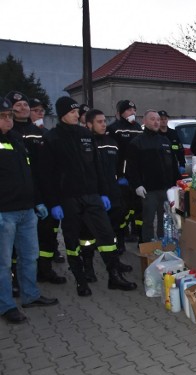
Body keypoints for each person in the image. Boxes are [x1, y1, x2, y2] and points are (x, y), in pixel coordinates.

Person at [40, 96, 136, 296]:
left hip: (92, 196)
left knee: (106, 236)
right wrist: (53, 203)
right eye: (73, 112)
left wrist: (103, 193)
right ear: (62, 114)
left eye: (77, 112)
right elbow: (46, 175)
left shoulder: (85, 134)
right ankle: (81, 280)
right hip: (68, 199)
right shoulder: (52, 138)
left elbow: (97, 167)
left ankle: (114, 276)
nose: (77, 115)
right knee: (73, 241)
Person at [1, 96, 59, 324]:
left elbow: (29, 174)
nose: (8, 120)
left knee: (29, 257)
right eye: (3, 117)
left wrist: (38, 201)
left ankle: (30, 295)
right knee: (4, 263)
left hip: (27, 210)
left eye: (8, 116)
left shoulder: (17, 140)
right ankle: (6, 306)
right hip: (4, 212)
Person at [7, 91, 66, 285]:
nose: (22, 108)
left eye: (25, 104)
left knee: (47, 235)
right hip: (19, 195)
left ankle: (45, 270)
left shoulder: (42, 132)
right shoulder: (9, 133)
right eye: (18, 105)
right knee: (16, 243)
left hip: (45, 193)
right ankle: (15, 277)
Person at [84, 109, 132, 266]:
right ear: (89, 124)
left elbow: (118, 166)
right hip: (93, 194)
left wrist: (121, 180)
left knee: (115, 228)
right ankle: (88, 266)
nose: (104, 124)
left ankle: (115, 262)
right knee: (89, 233)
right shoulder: (86, 142)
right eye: (99, 122)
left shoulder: (112, 142)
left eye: (104, 121)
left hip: (113, 192)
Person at [126, 110, 180, 243]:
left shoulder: (165, 140)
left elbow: (173, 164)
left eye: (158, 119)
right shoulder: (137, 142)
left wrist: (177, 183)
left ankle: (165, 242)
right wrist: (137, 185)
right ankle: (147, 245)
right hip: (148, 190)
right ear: (144, 121)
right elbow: (131, 168)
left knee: (166, 219)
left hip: (166, 188)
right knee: (148, 220)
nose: (156, 122)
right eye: (152, 119)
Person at [106, 100, 143, 240]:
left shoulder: (139, 128)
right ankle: (121, 235)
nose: (132, 112)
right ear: (121, 113)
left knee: (137, 207)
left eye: (134, 109)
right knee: (122, 208)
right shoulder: (114, 129)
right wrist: (118, 174)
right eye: (128, 110)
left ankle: (136, 231)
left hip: (136, 176)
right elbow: (113, 155)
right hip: (121, 177)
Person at [158, 110, 186, 176]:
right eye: (161, 119)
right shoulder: (155, 134)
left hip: (173, 164)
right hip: (160, 166)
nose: (163, 121)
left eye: (165, 119)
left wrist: (182, 164)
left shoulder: (173, 133)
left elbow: (180, 150)